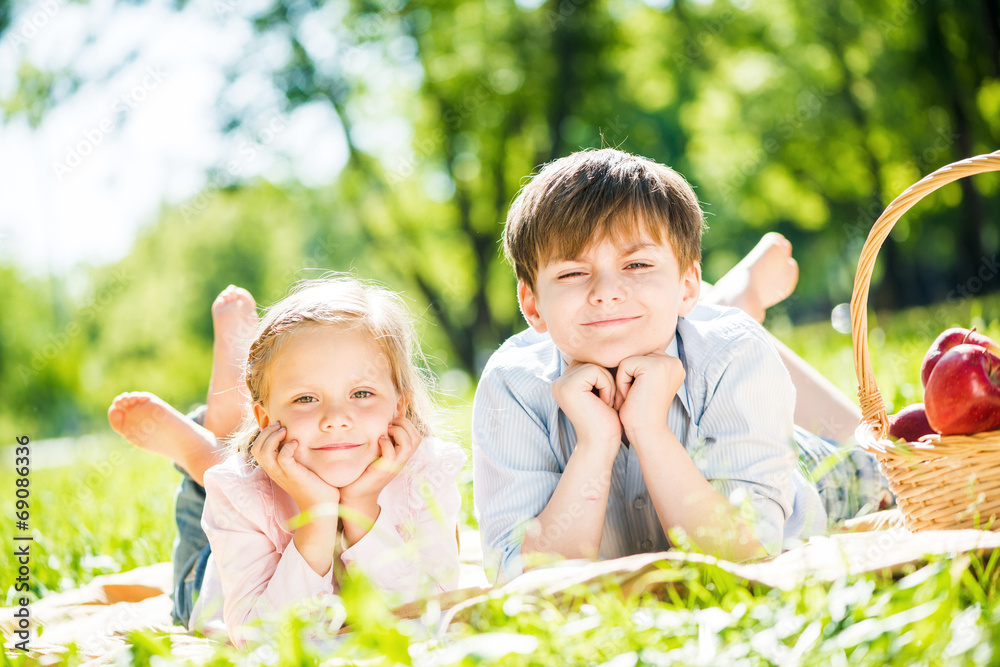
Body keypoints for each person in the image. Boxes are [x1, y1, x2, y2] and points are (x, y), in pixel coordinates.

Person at [472, 148, 885, 584]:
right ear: (532, 304)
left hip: (805, 467)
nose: (606, 292)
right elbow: (522, 583)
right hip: (684, 326)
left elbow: (747, 553)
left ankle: (729, 300)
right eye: (573, 273)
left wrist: (650, 430)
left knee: (880, 449)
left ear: (687, 285)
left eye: (637, 264)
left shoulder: (733, 355)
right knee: (696, 323)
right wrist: (596, 443)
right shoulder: (512, 386)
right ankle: (729, 296)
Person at [108, 277, 465, 646]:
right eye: (306, 399)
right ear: (265, 420)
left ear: (399, 405)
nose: (336, 418)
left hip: (264, 467)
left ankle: (218, 435)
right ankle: (201, 455)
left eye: (361, 392)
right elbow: (261, 638)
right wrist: (318, 515)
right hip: (213, 569)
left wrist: (361, 506)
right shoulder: (239, 493)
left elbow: (425, 611)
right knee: (198, 566)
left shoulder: (426, 475)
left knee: (228, 463)